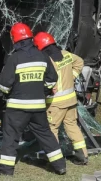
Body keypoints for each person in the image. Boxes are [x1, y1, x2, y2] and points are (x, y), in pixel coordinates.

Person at [0, 22, 66, 176]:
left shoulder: (14, 58)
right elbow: (52, 79)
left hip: (17, 108)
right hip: (38, 107)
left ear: (15, 39)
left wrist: (6, 93)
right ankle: (60, 166)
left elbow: (4, 84)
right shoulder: (42, 56)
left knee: (11, 137)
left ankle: (6, 170)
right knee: (46, 135)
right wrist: (43, 90)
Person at [34, 31, 88, 165]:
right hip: (71, 100)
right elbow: (80, 62)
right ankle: (83, 155)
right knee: (71, 125)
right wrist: (72, 76)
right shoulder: (66, 54)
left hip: (56, 103)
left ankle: (54, 159)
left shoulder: (47, 60)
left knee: (51, 129)